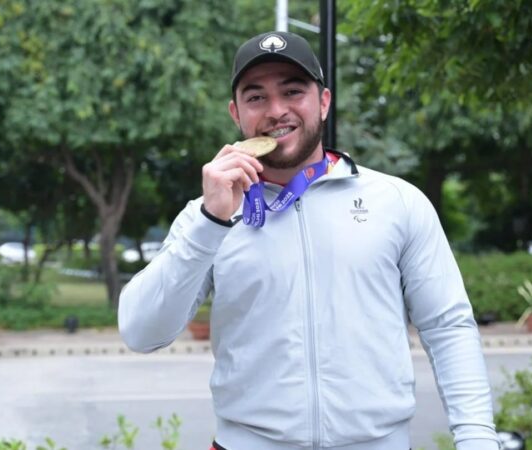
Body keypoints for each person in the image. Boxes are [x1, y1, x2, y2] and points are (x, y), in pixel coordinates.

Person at [119, 31, 499, 450]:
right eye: (256, 97)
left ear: (323, 101)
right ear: (236, 114)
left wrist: (478, 437)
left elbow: (448, 327)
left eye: (293, 91)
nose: (276, 111)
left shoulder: (397, 202)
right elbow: (140, 332)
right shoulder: (208, 213)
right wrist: (211, 221)